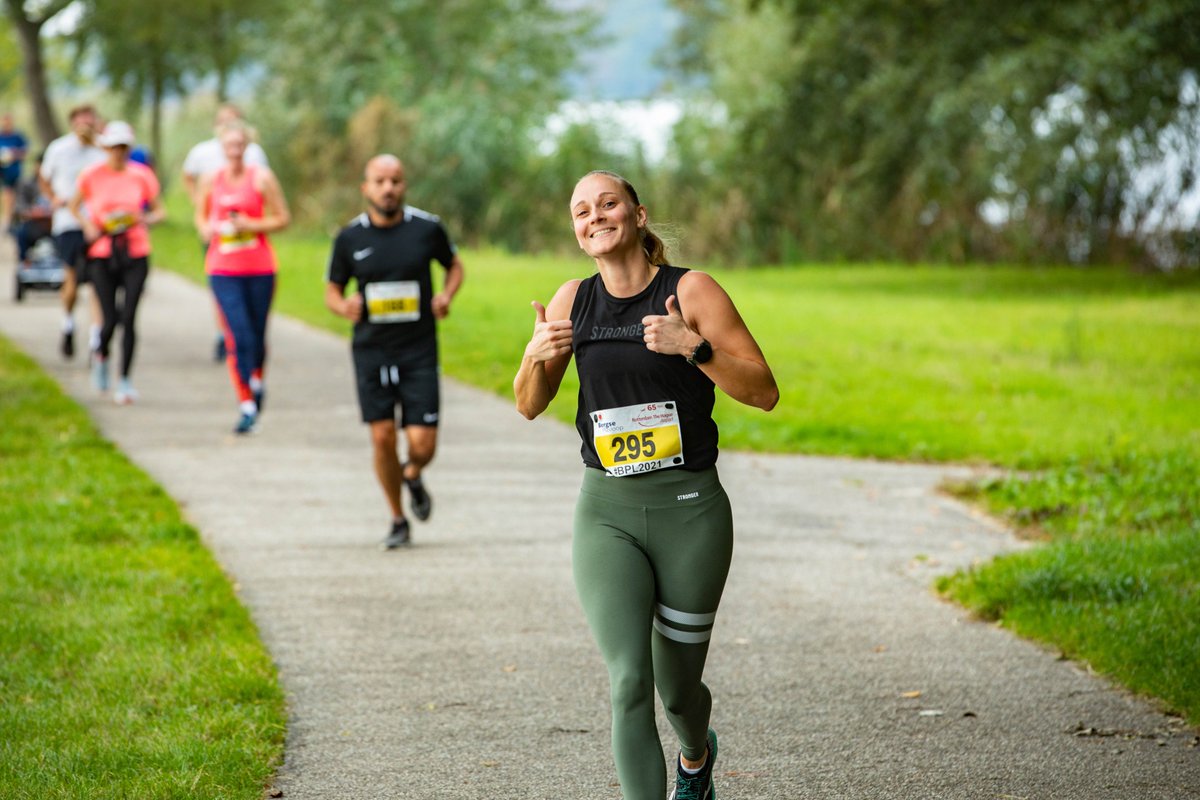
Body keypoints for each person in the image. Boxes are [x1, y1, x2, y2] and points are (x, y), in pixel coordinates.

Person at [513, 170, 779, 800]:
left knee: (678, 690)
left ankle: (695, 754)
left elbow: (764, 391)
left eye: (608, 204)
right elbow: (528, 404)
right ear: (577, 232)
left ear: (637, 215)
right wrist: (535, 354)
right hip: (607, 511)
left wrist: (695, 348)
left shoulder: (691, 290)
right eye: (582, 211)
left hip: (690, 512)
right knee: (629, 680)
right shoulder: (570, 300)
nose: (595, 216)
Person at [325, 154, 465, 549]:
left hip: (418, 349)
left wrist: (445, 295)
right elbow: (332, 291)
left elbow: (455, 266)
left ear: (404, 185)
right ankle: (397, 518)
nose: (389, 188)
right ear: (366, 188)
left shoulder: (427, 228)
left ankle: (413, 473)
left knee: (423, 445)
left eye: (396, 181)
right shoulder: (349, 238)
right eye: (380, 181)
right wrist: (343, 307)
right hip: (371, 350)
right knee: (383, 435)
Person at [193, 121, 290, 434]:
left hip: (260, 268)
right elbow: (200, 215)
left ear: (247, 146)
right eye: (229, 146)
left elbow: (283, 219)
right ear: (221, 148)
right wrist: (207, 229)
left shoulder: (261, 178)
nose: (234, 151)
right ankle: (246, 404)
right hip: (223, 269)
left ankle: (257, 378)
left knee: (258, 336)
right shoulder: (211, 180)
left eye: (239, 145)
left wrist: (250, 225)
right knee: (238, 335)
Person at [69, 121, 164, 404]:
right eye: (113, 147)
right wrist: (87, 224)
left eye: (123, 148)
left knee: (130, 317)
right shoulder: (91, 175)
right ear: (105, 148)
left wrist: (144, 218)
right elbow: (74, 206)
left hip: (135, 250)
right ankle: (102, 356)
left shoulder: (141, 175)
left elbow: (159, 210)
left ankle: (124, 380)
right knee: (109, 319)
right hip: (102, 251)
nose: (118, 153)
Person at [182, 102, 270, 363]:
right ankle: (225, 331)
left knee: (248, 294)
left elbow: (266, 188)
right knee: (221, 283)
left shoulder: (255, 154)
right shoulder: (203, 153)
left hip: (250, 238)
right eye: (224, 120)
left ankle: (245, 336)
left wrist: (254, 221)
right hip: (219, 236)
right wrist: (200, 209)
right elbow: (189, 178)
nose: (229, 124)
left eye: (234, 119)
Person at [39, 104, 105, 359]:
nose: (86, 126)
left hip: (97, 223)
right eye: (81, 121)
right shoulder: (59, 149)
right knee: (73, 279)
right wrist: (53, 197)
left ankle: (96, 336)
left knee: (98, 281)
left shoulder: (102, 150)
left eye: (90, 121)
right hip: (68, 222)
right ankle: (68, 322)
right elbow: (44, 178)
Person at [12, 152, 53, 266]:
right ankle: (24, 263)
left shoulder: (57, 183)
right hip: (35, 223)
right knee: (21, 233)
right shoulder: (27, 183)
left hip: (53, 224)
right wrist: (32, 212)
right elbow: (19, 206)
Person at [0, 112, 29, 231]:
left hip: (16, 171)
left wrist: (14, 154)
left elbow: (25, 152)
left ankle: (19, 217)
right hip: (4, 172)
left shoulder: (17, 136)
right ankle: (8, 218)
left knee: (19, 193)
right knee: (7, 193)